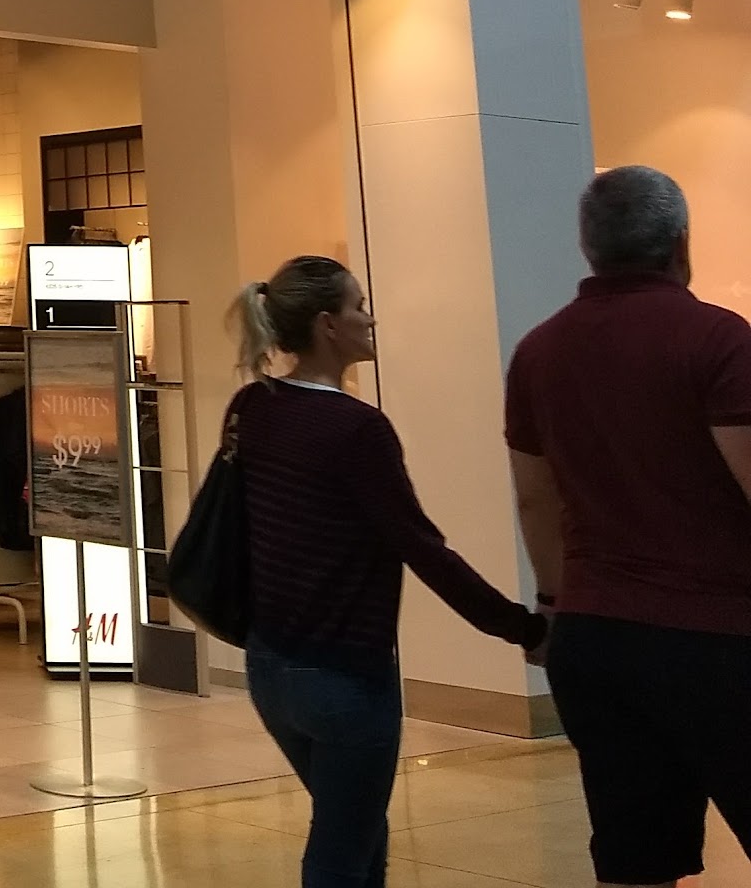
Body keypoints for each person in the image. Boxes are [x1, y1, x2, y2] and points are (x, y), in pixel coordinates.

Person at [229, 256, 543, 888]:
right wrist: (523, 628)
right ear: (327, 325)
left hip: (270, 665)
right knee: (341, 854)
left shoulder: (253, 405)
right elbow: (422, 548)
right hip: (344, 675)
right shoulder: (356, 427)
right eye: (358, 306)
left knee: (358, 833)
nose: (369, 318)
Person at [507, 166, 751, 888]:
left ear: (589, 248)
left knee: (635, 857)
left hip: (597, 639)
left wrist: (552, 605)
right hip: (719, 639)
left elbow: (534, 499)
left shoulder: (539, 350)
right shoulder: (718, 339)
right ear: (681, 244)